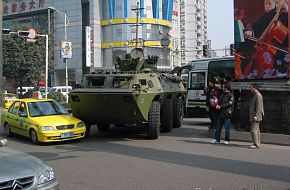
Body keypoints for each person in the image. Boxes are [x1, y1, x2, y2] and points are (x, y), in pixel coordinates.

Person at [249, 84, 264, 149]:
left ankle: (256, 144)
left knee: (253, 130)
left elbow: (258, 107)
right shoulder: (256, 95)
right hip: (256, 116)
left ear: (255, 88)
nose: (250, 89)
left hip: (256, 116)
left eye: (251, 88)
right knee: (256, 130)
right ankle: (257, 143)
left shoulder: (258, 95)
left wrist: (256, 116)